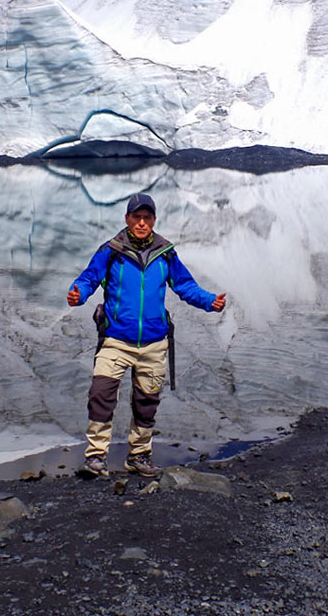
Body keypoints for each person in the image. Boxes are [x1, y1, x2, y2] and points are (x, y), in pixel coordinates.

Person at [66, 192, 226, 478]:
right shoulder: (111, 251)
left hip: (154, 342)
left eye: (147, 217)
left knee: (146, 402)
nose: (141, 223)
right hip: (115, 339)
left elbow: (185, 285)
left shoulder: (165, 253)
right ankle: (95, 457)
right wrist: (78, 295)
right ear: (127, 219)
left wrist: (209, 301)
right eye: (136, 217)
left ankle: (138, 456)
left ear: (153, 220)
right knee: (101, 395)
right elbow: (89, 278)